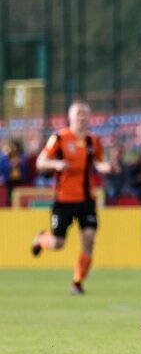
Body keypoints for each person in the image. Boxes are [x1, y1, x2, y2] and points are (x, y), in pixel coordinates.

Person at [31, 101, 116, 295]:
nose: (82, 117)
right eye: (78, 114)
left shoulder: (93, 141)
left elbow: (99, 163)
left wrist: (108, 168)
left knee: (89, 238)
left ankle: (77, 282)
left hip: (86, 200)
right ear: (70, 117)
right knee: (57, 243)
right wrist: (56, 164)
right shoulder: (59, 138)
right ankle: (41, 238)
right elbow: (40, 162)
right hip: (64, 200)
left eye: (85, 114)